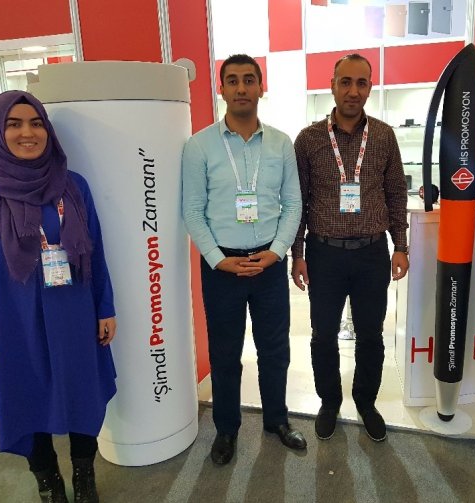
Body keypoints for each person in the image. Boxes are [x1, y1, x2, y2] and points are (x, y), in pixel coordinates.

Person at [0, 91, 117, 502]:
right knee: (26, 398)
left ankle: (84, 475)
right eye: (14, 124)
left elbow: (96, 250)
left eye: (36, 123)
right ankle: (49, 483)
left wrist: (105, 307)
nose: (28, 132)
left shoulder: (72, 185)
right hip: (12, 320)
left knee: (82, 393)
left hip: (73, 313)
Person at [182, 54, 306, 466]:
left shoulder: (280, 143)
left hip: (268, 264)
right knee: (225, 353)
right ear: (221, 89)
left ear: (260, 88)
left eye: (249, 80)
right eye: (232, 80)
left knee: (275, 350)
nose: (241, 88)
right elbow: (192, 210)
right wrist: (217, 259)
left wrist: (277, 252)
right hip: (222, 269)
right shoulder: (199, 145)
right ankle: (226, 429)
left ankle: (277, 420)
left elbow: (293, 204)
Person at [291, 53, 409, 443]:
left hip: (372, 254)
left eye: (361, 83)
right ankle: (329, 402)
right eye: (346, 82)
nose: (353, 91)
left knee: (371, 335)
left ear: (370, 88)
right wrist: (298, 254)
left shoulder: (384, 136)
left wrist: (401, 246)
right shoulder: (309, 139)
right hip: (323, 254)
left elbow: (396, 194)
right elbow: (298, 202)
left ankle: (366, 401)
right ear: (333, 86)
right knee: (323, 334)